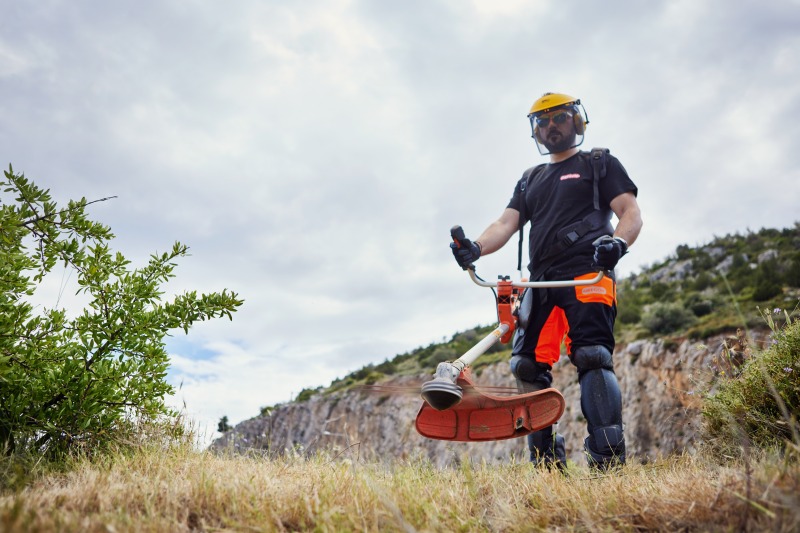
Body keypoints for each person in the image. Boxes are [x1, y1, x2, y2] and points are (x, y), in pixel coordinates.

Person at [450, 92, 642, 470]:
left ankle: (608, 462)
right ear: (535, 131)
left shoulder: (599, 163)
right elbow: (505, 224)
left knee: (592, 356)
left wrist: (617, 243)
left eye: (559, 117)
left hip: (589, 273)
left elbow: (630, 212)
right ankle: (545, 464)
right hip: (540, 282)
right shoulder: (530, 179)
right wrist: (475, 248)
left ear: (577, 121)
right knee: (525, 365)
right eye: (542, 121)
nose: (551, 126)